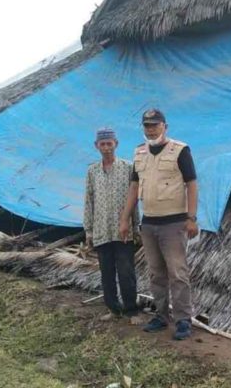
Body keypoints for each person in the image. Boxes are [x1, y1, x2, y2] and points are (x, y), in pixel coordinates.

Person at [120, 109, 199, 340]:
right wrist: (124, 218)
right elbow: (134, 188)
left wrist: (191, 217)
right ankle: (161, 316)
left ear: (165, 126)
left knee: (178, 272)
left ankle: (183, 319)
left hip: (174, 222)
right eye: (146, 125)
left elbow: (192, 184)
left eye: (155, 125)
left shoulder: (180, 150)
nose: (150, 129)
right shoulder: (139, 152)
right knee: (156, 273)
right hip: (149, 222)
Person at [83, 127, 139, 321]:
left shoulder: (129, 168)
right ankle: (113, 309)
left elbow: (134, 201)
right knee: (106, 273)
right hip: (101, 230)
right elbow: (89, 200)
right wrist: (88, 230)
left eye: (109, 143)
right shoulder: (92, 171)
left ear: (116, 144)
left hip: (123, 231)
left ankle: (131, 310)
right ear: (96, 146)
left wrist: (136, 226)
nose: (106, 148)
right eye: (102, 144)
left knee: (126, 272)